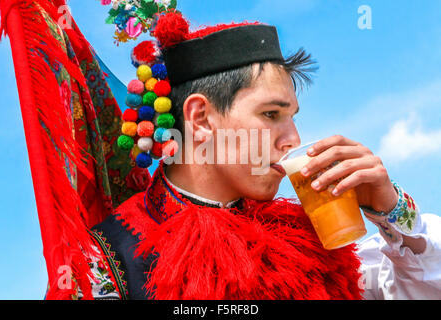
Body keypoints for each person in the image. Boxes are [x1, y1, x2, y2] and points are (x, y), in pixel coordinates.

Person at [74, 12, 441, 300]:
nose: (292, 139)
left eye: (292, 117)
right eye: (271, 115)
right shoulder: (105, 263)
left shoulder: (305, 243)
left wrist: (392, 212)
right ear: (200, 118)